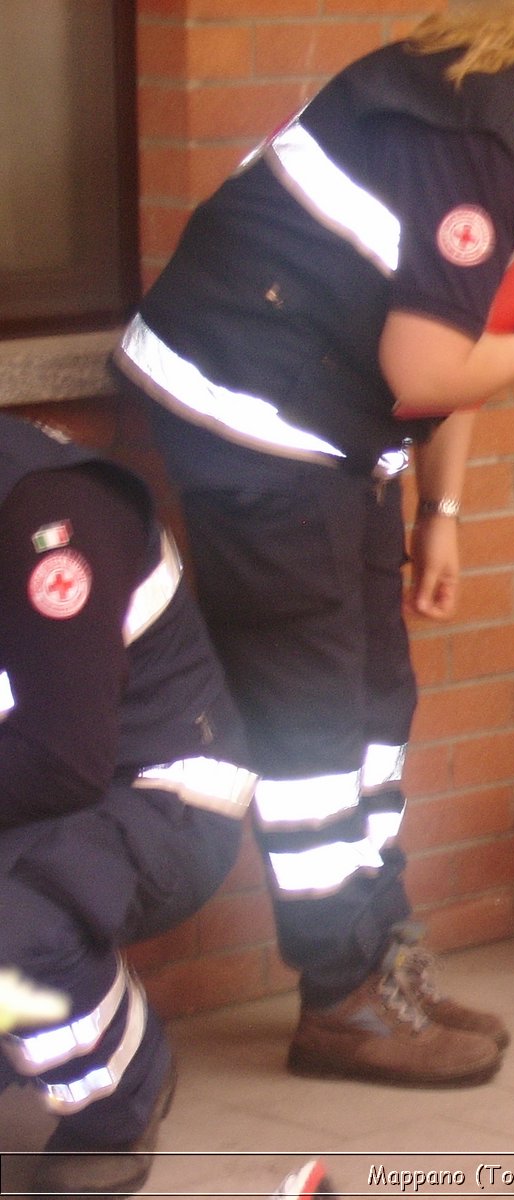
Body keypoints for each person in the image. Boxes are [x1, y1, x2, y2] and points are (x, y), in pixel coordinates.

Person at [112, 0, 514, 1088]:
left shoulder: (507, 128)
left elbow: (455, 340)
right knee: (313, 726)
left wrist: (441, 513)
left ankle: (379, 957)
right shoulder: (477, 145)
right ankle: (339, 996)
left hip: (327, 432)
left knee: (374, 706)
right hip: (253, 422)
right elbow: (430, 368)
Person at [0, 414, 254, 1197]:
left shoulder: (52, 514)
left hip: (161, 795)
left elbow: (64, 759)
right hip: (38, 791)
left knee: (10, 927)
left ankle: (122, 1090)